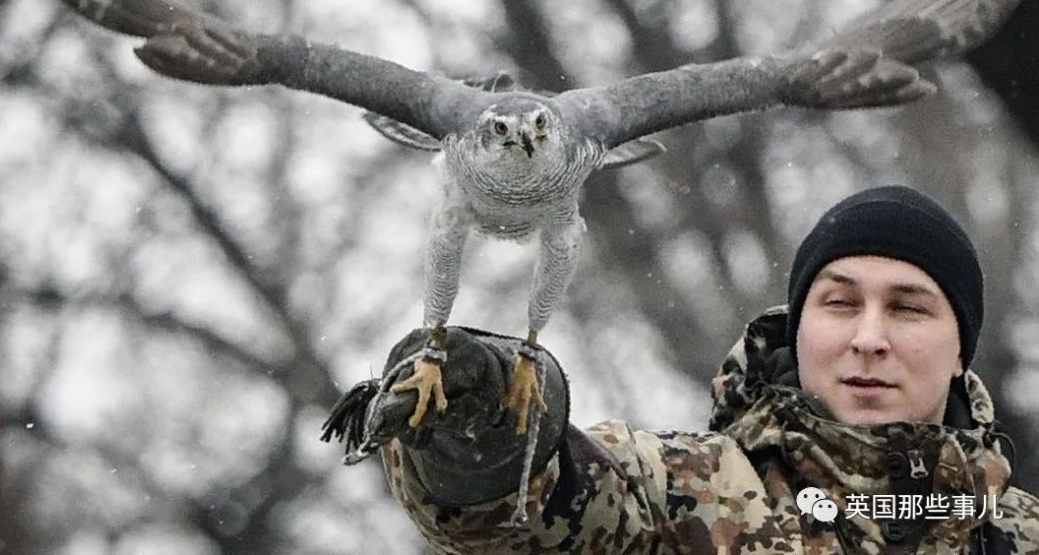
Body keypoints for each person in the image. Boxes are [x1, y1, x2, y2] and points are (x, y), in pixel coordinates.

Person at [325, 185, 1039, 553]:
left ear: (960, 351)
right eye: (840, 303)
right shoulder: (688, 497)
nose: (869, 338)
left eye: (909, 309)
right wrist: (489, 425)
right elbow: (537, 510)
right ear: (801, 329)